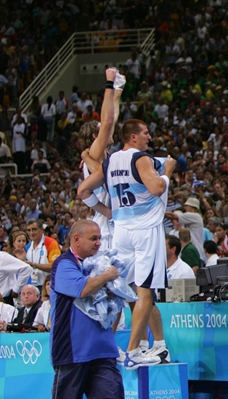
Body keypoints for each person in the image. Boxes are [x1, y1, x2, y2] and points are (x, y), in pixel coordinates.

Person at [77, 119, 176, 369]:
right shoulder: (140, 158)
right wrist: (167, 172)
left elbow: (82, 191)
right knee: (144, 291)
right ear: (133, 136)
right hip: (145, 229)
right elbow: (156, 188)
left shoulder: (111, 161)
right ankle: (133, 352)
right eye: (146, 133)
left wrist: (106, 211)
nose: (149, 137)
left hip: (120, 230)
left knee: (126, 291)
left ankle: (136, 347)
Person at [50, 220, 124, 398]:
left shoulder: (103, 262)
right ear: (76, 239)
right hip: (72, 350)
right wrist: (107, 276)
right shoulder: (64, 264)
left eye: (99, 238)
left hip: (103, 349)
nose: (98, 243)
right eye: (93, 238)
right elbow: (82, 289)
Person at [77, 67, 124, 250]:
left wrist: (118, 90)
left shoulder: (100, 154)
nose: (109, 131)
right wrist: (109, 84)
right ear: (95, 137)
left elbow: (113, 117)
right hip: (105, 228)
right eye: (103, 130)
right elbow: (108, 121)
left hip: (112, 223)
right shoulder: (93, 153)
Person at [164, 197, 206, 263]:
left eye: (187, 206)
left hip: (194, 252)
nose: (185, 207)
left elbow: (173, 216)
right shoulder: (193, 217)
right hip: (192, 251)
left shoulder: (195, 216)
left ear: (192, 207)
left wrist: (159, 212)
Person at [24, 218, 62, 288]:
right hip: (33, 286)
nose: (31, 233)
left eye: (34, 229)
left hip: (49, 286)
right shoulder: (27, 247)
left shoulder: (51, 243)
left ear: (41, 229)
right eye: (29, 230)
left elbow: (54, 266)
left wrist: (34, 265)